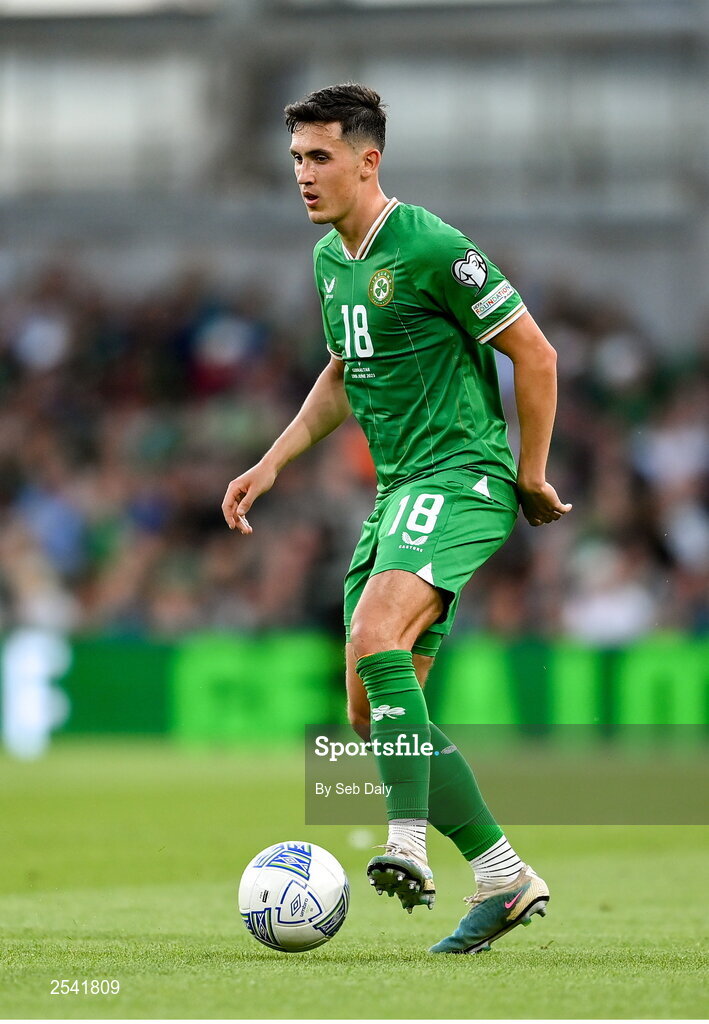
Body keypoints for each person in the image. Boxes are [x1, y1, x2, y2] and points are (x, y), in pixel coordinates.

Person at [222, 83, 572, 955]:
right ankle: (501, 875)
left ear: (367, 161)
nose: (302, 174)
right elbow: (347, 370)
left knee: (378, 639)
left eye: (319, 157)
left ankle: (405, 845)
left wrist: (527, 472)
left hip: (459, 478)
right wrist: (273, 460)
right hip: (396, 495)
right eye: (296, 158)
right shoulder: (329, 262)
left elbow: (534, 351)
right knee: (370, 712)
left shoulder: (428, 246)